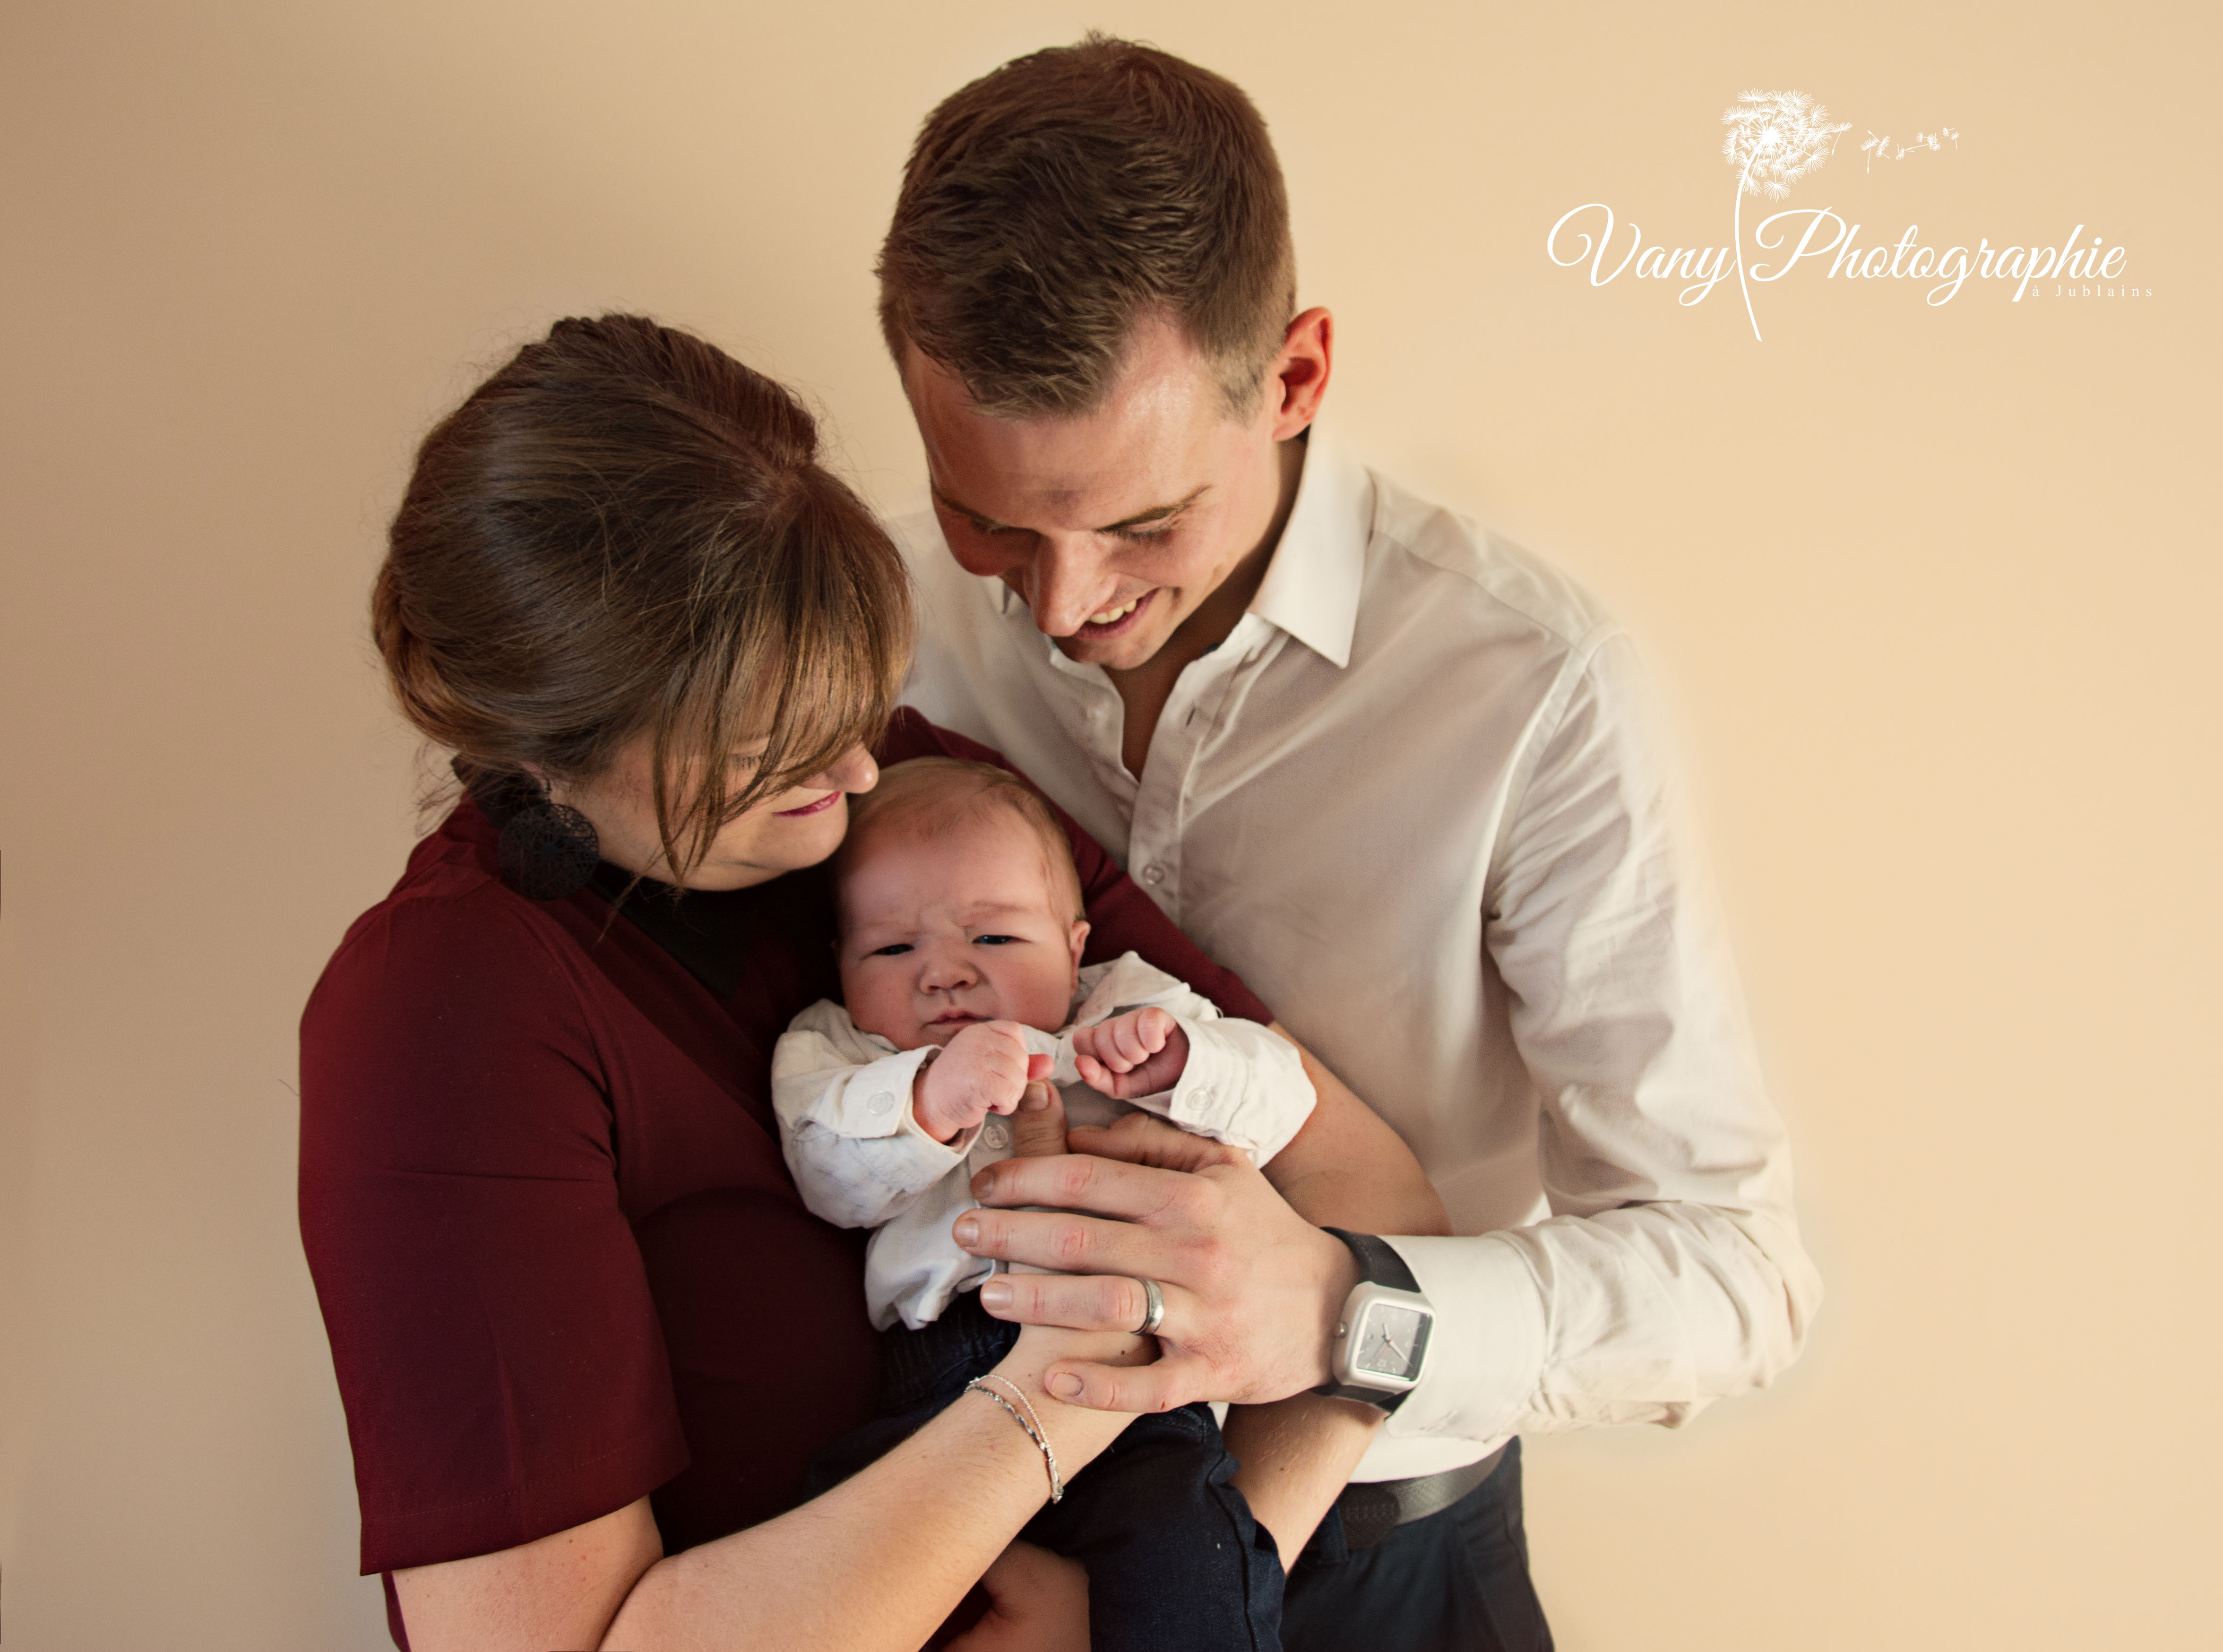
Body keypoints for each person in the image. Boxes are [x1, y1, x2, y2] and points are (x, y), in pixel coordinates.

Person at [876, 35, 1826, 1650]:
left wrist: (1337, 1301)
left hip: (1393, 1581)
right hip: (961, 1536)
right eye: (991, 522)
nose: (1059, 603)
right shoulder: (886, 629)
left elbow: (1737, 1278)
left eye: (1138, 522)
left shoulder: (1530, 686)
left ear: (1298, 376)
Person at [298, 312, 1443, 1652]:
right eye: (772, 751)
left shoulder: (919, 819)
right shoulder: (441, 1017)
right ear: (558, 753)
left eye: (850, 709)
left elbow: (1371, 1195)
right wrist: (1056, 1401)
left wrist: (1166, 1598)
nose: (851, 781)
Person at [780, 756, 1333, 1652]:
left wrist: (1186, 1063)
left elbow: (1283, 1102)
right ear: (840, 963)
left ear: (1075, 946)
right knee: (831, 1541)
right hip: (936, 1373)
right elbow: (823, 1172)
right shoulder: (836, 1048)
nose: (945, 976)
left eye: (992, 941)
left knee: (1188, 1551)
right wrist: (926, 1102)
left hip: (1132, 1361)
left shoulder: (1123, 1003)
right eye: (892, 949)